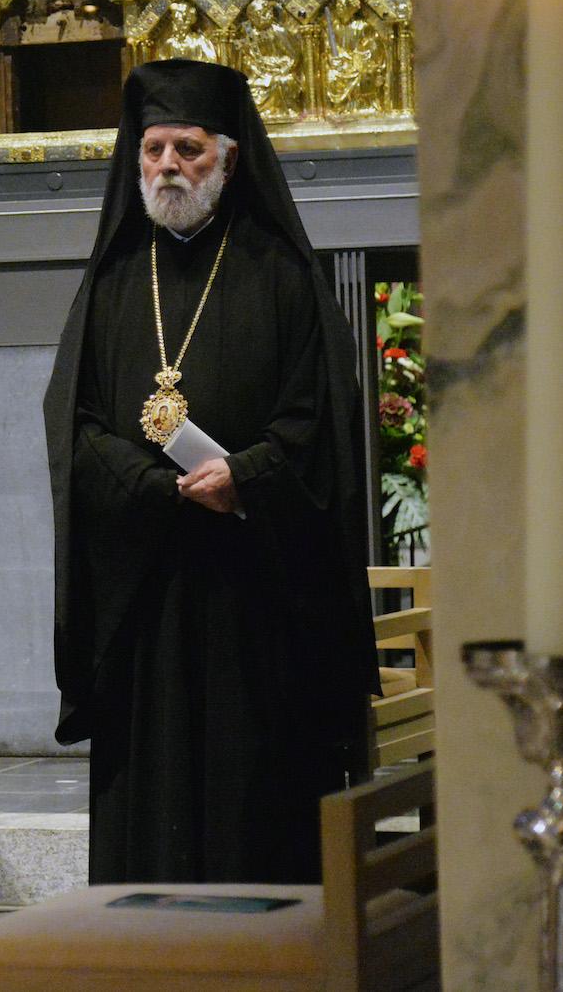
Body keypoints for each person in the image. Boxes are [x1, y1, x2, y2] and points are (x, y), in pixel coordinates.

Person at [42, 59, 375, 885]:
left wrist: (248, 478)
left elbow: (317, 422)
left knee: (254, 788)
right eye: (152, 149)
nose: (166, 166)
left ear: (228, 157)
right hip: (144, 591)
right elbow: (75, 424)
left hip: (254, 594)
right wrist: (151, 490)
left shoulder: (284, 277)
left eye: (187, 149)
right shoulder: (116, 281)